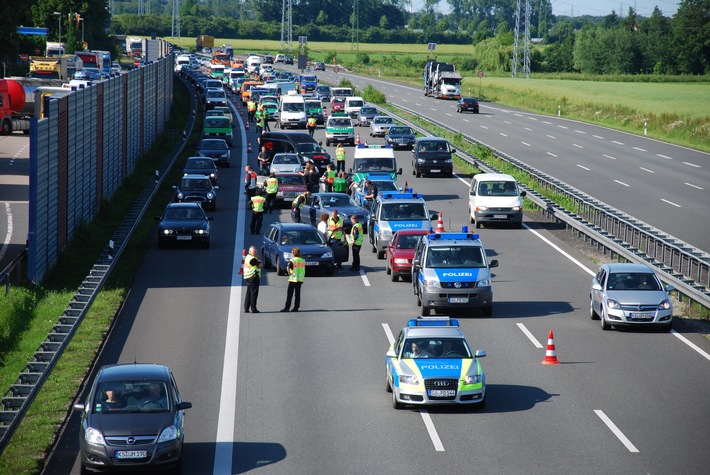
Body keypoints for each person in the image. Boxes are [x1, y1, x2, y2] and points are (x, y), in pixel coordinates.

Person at [281, 247, 305, 312]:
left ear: (293, 253)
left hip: (293, 279)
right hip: (300, 279)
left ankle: (287, 307)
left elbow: (288, 268)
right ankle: (296, 307)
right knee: (297, 294)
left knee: (290, 294)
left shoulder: (292, 260)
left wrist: (289, 273)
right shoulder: (302, 260)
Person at [243, 246, 262, 313]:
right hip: (253, 277)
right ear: (250, 252)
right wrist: (259, 261)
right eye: (254, 252)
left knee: (248, 292)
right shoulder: (253, 259)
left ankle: (246, 307)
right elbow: (260, 266)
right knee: (254, 293)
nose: (255, 253)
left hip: (248, 277)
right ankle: (253, 308)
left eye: (256, 251)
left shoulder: (248, 257)